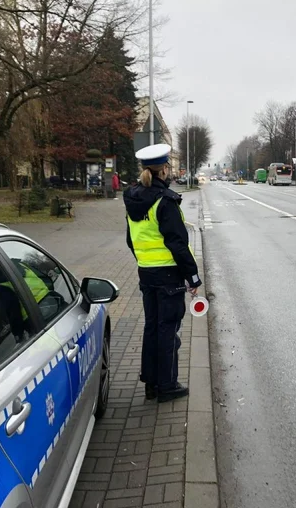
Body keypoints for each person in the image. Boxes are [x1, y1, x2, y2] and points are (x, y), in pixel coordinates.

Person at [124, 144, 201, 403]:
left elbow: (130, 240)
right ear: (163, 170)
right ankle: (167, 385)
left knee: (152, 328)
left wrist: (145, 262)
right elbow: (177, 243)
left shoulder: (132, 199)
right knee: (168, 329)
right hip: (168, 276)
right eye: (167, 167)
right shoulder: (164, 200)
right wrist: (192, 277)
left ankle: (151, 384)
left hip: (146, 274)